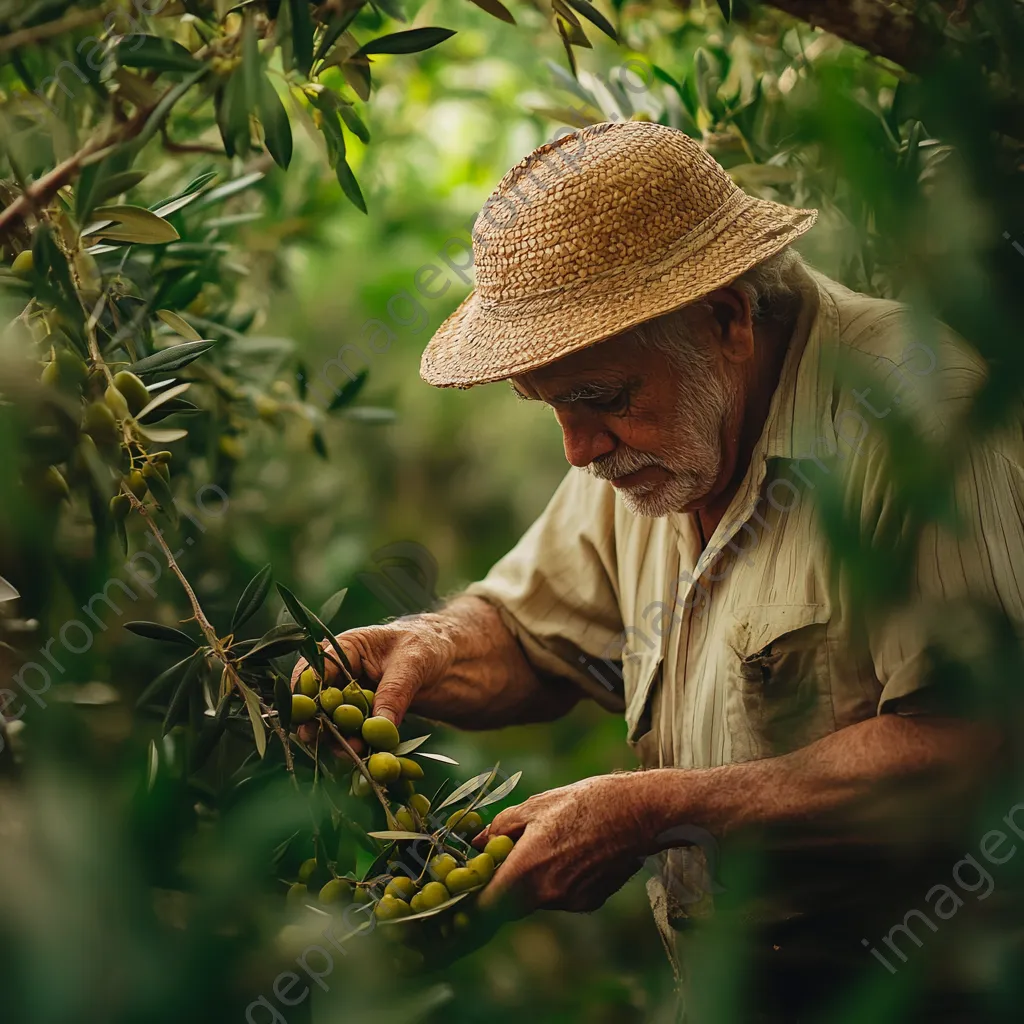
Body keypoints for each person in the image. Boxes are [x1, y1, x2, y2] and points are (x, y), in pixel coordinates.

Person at [297, 122, 1020, 1021]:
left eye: (598, 398)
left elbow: (979, 750)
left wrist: (661, 811)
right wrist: (428, 648)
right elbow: (533, 635)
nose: (576, 448)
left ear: (726, 319)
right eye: (548, 406)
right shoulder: (650, 441)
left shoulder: (917, 421)